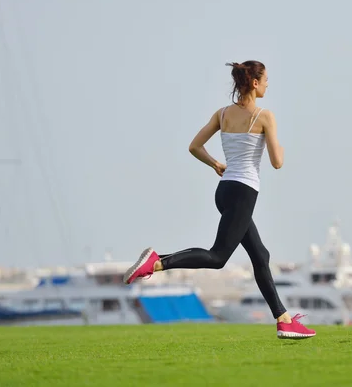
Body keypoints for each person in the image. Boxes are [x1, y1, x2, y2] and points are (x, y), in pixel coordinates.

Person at [123, 60, 315, 339]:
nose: (268, 84)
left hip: (225, 191)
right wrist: (280, 146)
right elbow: (277, 162)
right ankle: (157, 262)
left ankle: (283, 320)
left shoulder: (222, 114)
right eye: (266, 79)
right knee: (217, 257)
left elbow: (194, 146)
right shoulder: (265, 116)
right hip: (243, 193)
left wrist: (215, 164)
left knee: (261, 256)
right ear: (254, 83)